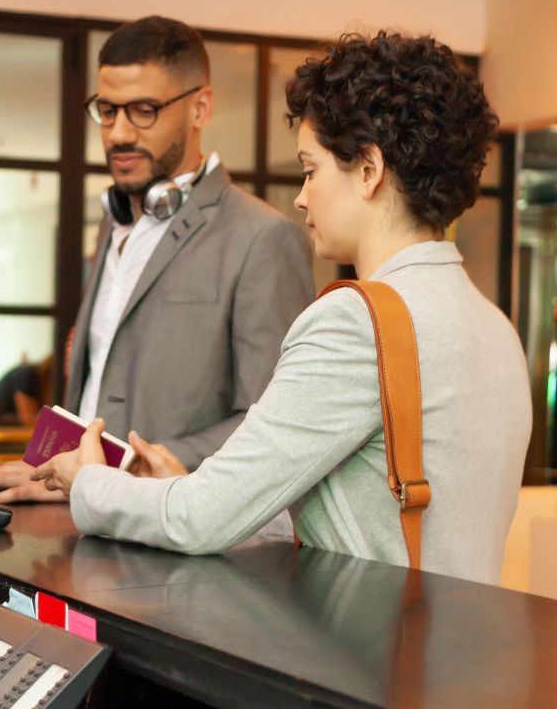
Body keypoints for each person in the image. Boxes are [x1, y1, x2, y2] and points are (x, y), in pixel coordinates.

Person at [29, 32, 530, 585]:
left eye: (311, 170)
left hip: (363, 638)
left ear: (369, 170)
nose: (301, 196)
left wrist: (89, 482)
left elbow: (200, 520)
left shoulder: (355, 322)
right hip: (454, 631)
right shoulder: (494, 327)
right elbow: (358, 516)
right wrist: (180, 486)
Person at [0, 15, 313, 500]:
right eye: (107, 111)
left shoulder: (264, 237)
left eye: (144, 110)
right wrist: (52, 470)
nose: (118, 133)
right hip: (80, 512)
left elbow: (273, 424)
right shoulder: (113, 223)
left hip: (172, 528)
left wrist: (116, 471)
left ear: (200, 108)